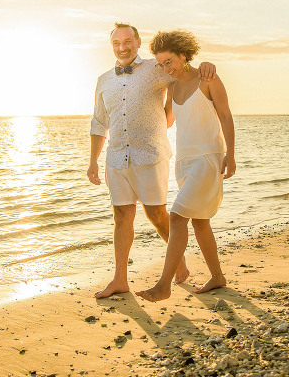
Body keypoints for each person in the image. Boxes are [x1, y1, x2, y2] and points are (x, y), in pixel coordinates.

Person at [88, 23, 216, 299]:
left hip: (151, 154)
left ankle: (178, 262)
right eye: (116, 43)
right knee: (121, 216)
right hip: (116, 158)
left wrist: (206, 65)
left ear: (137, 42)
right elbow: (99, 123)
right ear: (112, 46)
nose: (122, 47)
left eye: (127, 42)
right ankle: (120, 279)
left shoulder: (154, 69)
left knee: (156, 214)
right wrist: (93, 161)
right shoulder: (103, 80)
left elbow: (182, 73)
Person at [136, 29, 236, 302]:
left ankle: (163, 284)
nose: (166, 67)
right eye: (161, 64)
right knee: (201, 223)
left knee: (178, 217)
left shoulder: (207, 78)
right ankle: (217, 277)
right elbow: (166, 120)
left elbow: (226, 115)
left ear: (184, 55)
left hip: (207, 158)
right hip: (184, 161)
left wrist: (231, 154)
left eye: (170, 61)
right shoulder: (171, 86)